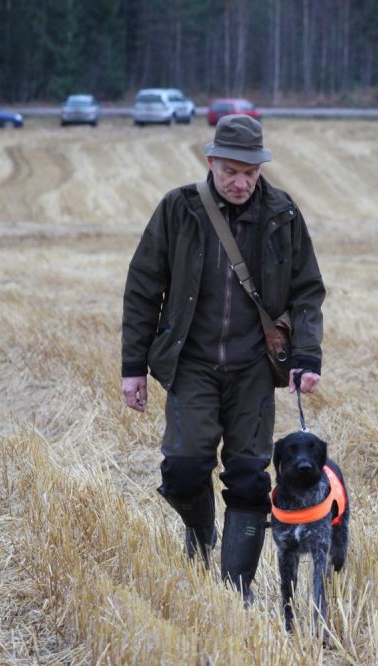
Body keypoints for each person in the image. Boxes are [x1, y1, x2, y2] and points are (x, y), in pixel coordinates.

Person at [120, 114, 325, 602]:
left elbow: (307, 289)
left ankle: (236, 589)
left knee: (250, 479)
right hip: (192, 363)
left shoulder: (281, 213)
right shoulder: (179, 209)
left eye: (250, 172)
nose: (241, 182)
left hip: (254, 367)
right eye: (231, 171)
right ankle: (201, 531)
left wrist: (307, 355)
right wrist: (133, 368)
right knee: (183, 470)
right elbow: (143, 289)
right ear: (211, 161)